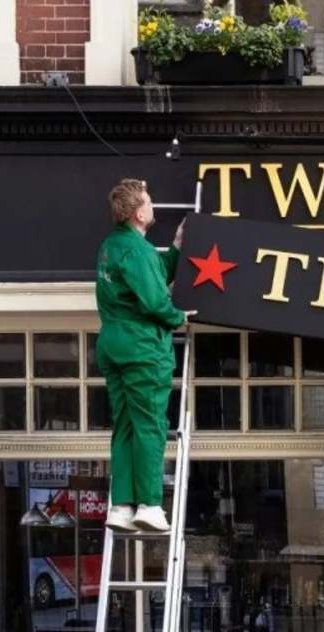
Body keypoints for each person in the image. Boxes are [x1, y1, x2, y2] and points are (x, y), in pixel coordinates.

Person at [96, 179, 193, 534]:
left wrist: (178, 249)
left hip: (113, 344)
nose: (153, 207)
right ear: (139, 212)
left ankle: (121, 506)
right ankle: (151, 505)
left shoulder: (113, 246)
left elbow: (152, 275)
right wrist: (177, 317)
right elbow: (154, 300)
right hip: (142, 348)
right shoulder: (136, 250)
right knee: (151, 426)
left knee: (124, 426)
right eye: (149, 202)